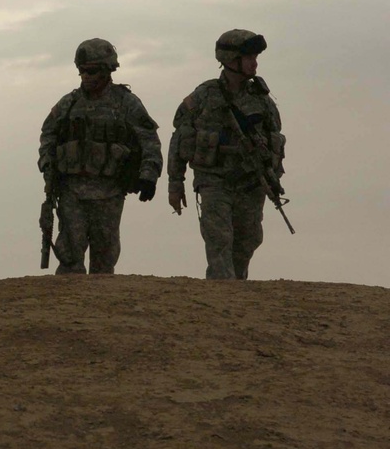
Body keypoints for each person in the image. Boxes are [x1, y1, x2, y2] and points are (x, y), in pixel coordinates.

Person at [167, 29, 286, 280]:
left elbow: (275, 141)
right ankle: (221, 295)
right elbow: (180, 138)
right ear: (231, 60)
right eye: (249, 57)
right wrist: (175, 183)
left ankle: (235, 297)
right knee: (219, 240)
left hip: (250, 184)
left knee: (248, 241)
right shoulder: (204, 96)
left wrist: (274, 177)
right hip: (214, 181)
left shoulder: (262, 100)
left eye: (255, 57)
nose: (255, 63)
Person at [38, 38, 162, 274]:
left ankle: (100, 309)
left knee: (105, 259)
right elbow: (48, 135)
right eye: (81, 70)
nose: (85, 76)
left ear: (107, 71)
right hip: (72, 191)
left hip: (109, 191)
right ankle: (66, 308)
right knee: (70, 256)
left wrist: (149, 174)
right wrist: (47, 165)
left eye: (92, 70)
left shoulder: (126, 103)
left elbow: (149, 140)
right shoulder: (68, 104)